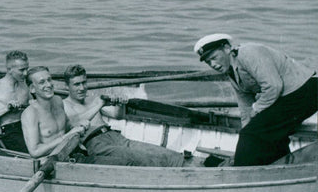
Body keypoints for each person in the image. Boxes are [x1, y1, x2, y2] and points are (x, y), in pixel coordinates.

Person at [194, 34, 317, 166]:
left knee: (253, 134)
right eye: (208, 62)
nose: (213, 64)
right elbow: (245, 107)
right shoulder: (232, 72)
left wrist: (255, 114)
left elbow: (273, 86)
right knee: (257, 132)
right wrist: (247, 128)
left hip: (306, 90)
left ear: (226, 48)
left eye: (214, 57)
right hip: (286, 97)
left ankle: (241, 173)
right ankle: (279, 165)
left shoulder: (248, 53)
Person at [62, 64, 186, 166]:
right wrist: (100, 104)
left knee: (161, 152)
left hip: (115, 136)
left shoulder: (93, 99)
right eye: (76, 84)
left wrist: (120, 104)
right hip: (95, 142)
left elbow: (118, 116)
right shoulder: (64, 105)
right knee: (140, 158)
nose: (82, 88)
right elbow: (75, 123)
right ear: (67, 86)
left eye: (84, 83)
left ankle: (182, 167)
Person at [21, 66, 88, 158]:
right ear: (32, 88)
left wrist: (79, 124)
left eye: (49, 80)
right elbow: (35, 151)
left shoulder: (58, 100)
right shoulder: (30, 114)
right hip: (52, 163)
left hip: (72, 152)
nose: (48, 85)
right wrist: (68, 136)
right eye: (42, 82)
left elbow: (68, 125)